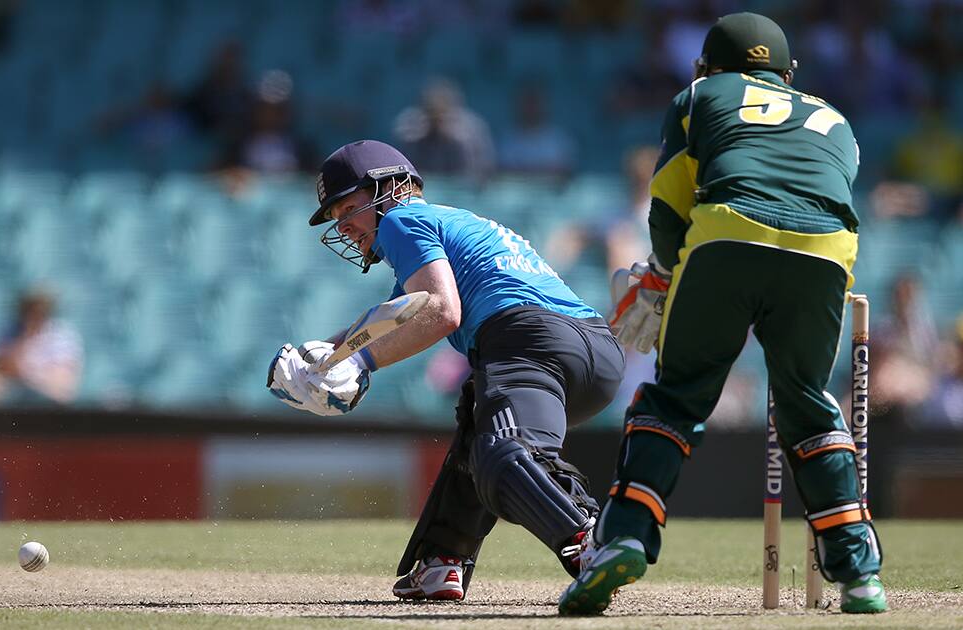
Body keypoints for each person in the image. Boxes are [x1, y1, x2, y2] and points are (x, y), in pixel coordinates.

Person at [560, 13, 886, 615]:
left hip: (728, 234)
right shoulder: (836, 119)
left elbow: (667, 207)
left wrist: (661, 275)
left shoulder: (700, 95)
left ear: (703, 66)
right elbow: (824, 189)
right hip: (825, 251)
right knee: (808, 404)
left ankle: (624, 538)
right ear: (788, 75)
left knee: (677, 398)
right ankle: (859, 574)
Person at [266, 139, 624, 600]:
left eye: (349, 208)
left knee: (501, 456)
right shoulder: (449, 222)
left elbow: (440, 311)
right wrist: (326, 356)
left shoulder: (401, 220)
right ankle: (441, 561)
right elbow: (395, 314)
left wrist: (358, 362)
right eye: (337, 218)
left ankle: (589, 539)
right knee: (480, 429)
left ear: (390, 187)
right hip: (593, 349)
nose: (347, 227)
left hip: (524, 340)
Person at [0, 290, 83, 406]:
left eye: (40, 311)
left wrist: (29, 377)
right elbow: (1, 370)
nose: (34, 315)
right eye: (29, 311)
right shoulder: (12, 331)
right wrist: (25, 337)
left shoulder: (61, 335)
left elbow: (62, 385)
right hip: (17, 398)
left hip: (49, 402)